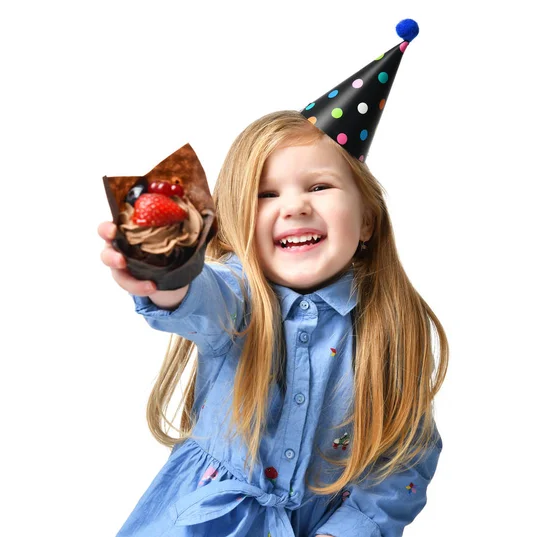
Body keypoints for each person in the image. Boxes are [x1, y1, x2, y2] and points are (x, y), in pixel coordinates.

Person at [99, 20, 448, 537]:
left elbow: (404, 461)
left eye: (320, 186)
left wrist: (348, 531)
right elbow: (204, 298)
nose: (296, 207)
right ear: (239, 220)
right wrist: (169, 275)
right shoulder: (239, 296)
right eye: (267, 195)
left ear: (368, 220)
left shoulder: (392, 331)